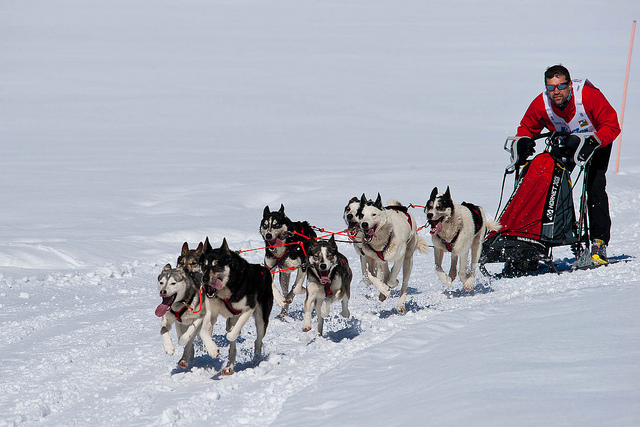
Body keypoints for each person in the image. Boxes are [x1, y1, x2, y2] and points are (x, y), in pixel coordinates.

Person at [515, 64, 620, 265]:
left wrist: (594, 141)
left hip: (596, 142)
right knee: (546, 183)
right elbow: (526, 127)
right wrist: (523, 142)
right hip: (565, 142)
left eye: (561, 86)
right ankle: (534, 243)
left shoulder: (589, 96)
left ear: (570, 85)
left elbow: (612, 124)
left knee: (594, 186)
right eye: (551, 87)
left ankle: (598, 243)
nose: (556, 92)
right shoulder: (541, 103)